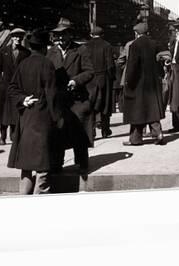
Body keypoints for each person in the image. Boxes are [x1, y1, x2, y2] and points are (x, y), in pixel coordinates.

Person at [7, 30, 62, 194]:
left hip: (25, 118)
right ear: (44, 47)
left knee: (26, 164)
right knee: (42, 165)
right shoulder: (47, 64)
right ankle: (39, 200)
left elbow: (12, 88)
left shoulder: (23, 64)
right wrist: (58, 118)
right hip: (42, 118)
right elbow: (52, 94)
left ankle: (23, 198)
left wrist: (23, 99)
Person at [46, 18, 94, 174]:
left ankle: (82, 163)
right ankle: (56, 163)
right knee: (58, 132)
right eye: (57, 35)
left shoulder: (81, 50)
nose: (59, 38)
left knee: (79, 131)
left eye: (63, 35)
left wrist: (76, 81)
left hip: (76, 99)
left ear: (70, 35)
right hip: (59, 99)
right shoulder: (51, 52)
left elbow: (89, 72)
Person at [122, 23, 166, 146]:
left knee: (137, 111)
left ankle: (135, 139)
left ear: (136, 33)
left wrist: (128, 82)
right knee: (152, 109)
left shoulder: (135, 45)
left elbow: (132, 66)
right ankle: (158, 134)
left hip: (138, 83)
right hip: (152, 82)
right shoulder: (154, 43)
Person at [0, 27, 30, 146]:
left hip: (19, 87)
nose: (17, 39)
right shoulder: (3, 51)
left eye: (20, 36)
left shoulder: (26, 53)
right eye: (15, 36)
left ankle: (14, 136)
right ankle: (2, 136)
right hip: (5, 87)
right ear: (11, 38)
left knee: (16, 111)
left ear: (22, 38)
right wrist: (0, 82)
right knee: (3, 112)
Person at [85, 26, 115, 138]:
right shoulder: (107, 46)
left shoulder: (85, 46)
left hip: (89, 78)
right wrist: (111, 77)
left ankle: (91, 131)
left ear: (91, 34)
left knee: (91, 104)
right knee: (105, 104)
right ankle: (105, 130)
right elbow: (110, 65)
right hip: (104, 77)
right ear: (102, 34)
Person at [167, 19, 179, 133]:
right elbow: (171, 53)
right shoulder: (173, 39)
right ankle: (177, 124)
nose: (177, 30)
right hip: (173, 67)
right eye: (175, 28)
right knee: (174, 97)